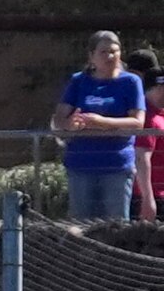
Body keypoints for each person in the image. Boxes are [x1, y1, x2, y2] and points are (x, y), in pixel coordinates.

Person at [61, 32, 146, 227]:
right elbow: (60, 118)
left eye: (114, 51)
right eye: (103, 52)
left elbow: (137, 123)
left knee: (116, 229)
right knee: (81, 228)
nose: (109, 56)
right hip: (80, 166)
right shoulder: (78, 81)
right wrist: (70, 124)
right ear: (91, 56)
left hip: (116, 167)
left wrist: (102, 122)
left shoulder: (131, 82)